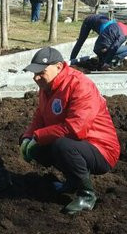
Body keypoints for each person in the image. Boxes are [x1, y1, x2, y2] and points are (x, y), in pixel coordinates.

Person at [19, 47, 120, 214]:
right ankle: (72, 182)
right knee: (40, 146)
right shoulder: (47, 87)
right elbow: (40, 116)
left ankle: (87, 195)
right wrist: (28, 137)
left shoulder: (80, 85)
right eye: (34, 73)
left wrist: (37, 137)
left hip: (101, 149)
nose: (35, 78)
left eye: (41, 72)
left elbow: (75, 128)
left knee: (62, 146)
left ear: (59, 67)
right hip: (75, 143)